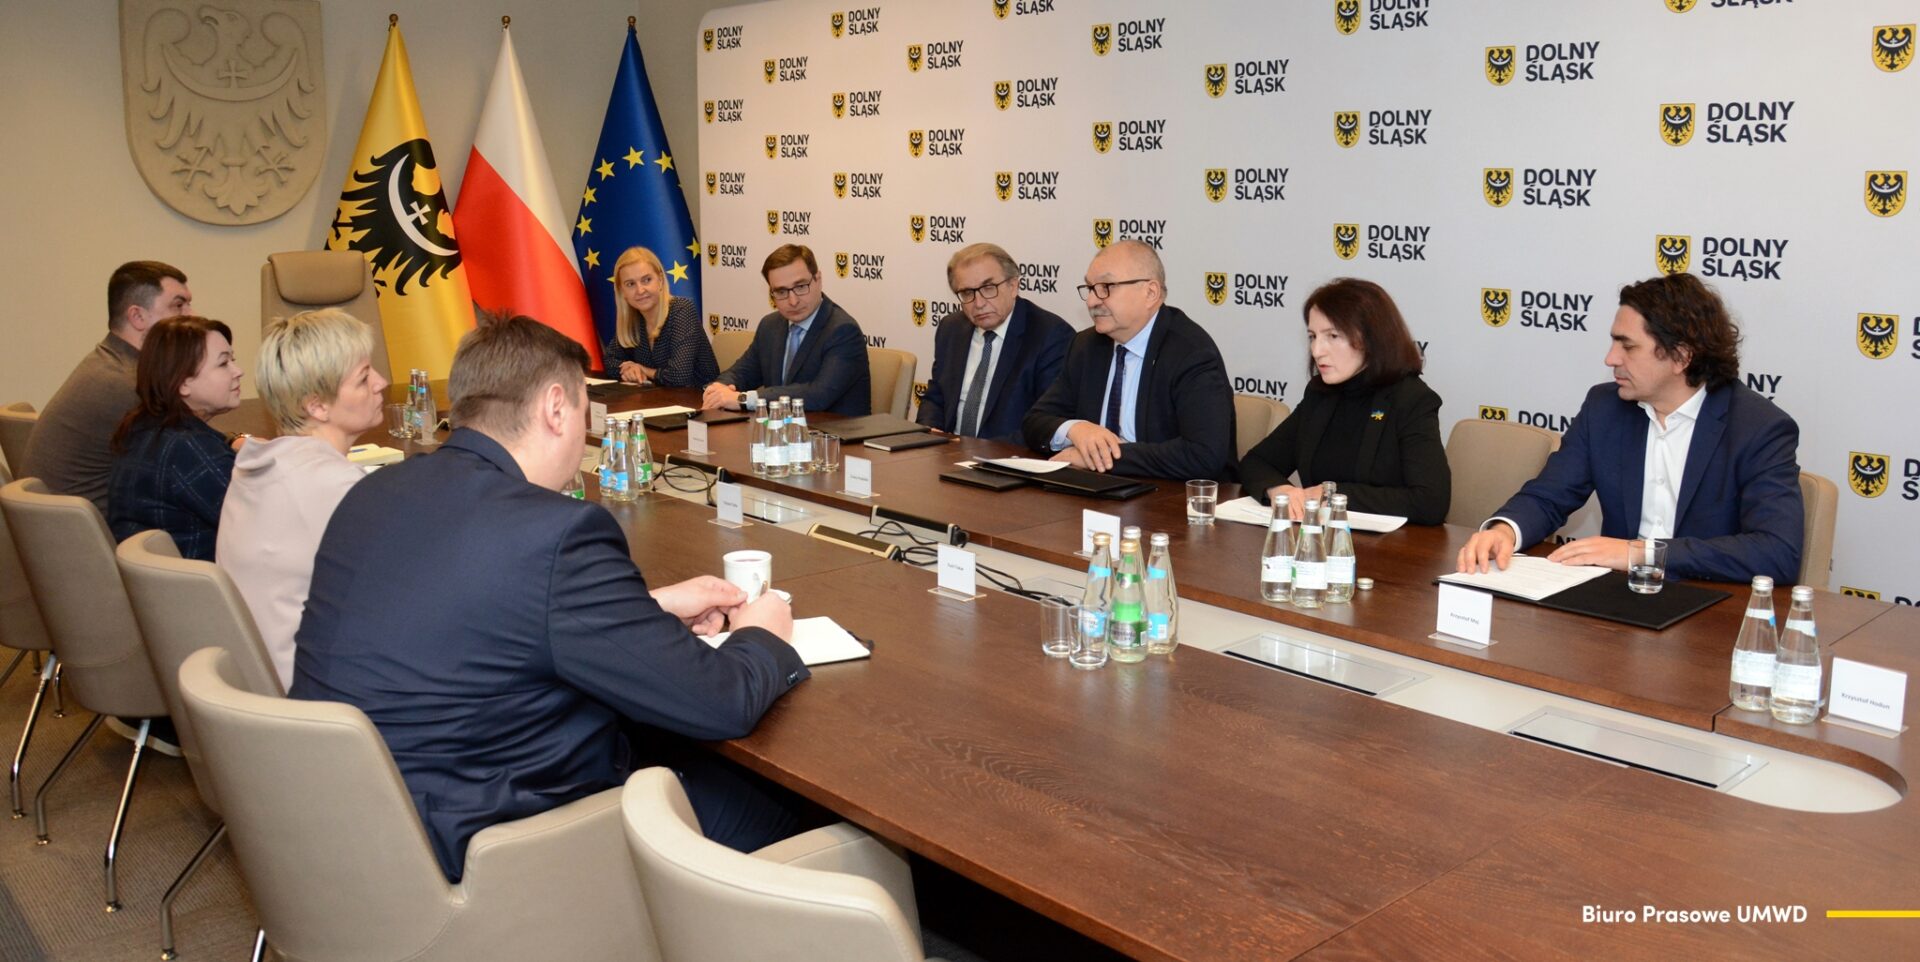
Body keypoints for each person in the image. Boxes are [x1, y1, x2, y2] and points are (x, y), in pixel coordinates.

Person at [292, 313, 807, 882]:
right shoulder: (556, 533)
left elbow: (476, 615)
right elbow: (720, 702)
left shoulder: (372, 492)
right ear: (556, 408)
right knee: (786, 806)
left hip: (351, 836)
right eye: (585, 408)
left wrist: (646, 609)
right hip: (491, 855)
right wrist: (762, 631)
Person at [1457, 273, 1802, 584]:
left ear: (1681, 357)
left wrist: (1641, 553)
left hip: (1709, 606)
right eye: (1613, 343)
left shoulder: (1759, 428)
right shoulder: (1604, 408)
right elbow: (1549, 495)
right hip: (1619, 601)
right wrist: (1505, 530)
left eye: (1628, 346)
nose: (1611, 358)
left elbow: (1777, 551)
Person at [217, 309, 388, 689]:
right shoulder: (333, 486)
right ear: (317, 406)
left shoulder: (259, 466)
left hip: (255, 680)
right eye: (364, 378)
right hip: (313, 691)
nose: (381, 382)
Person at [1239, 279, 1450, 524]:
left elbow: (1430, 501)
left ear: (1371, 338)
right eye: (1313, 336)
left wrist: (1333, 495)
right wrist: (1279, 490)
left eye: (1333, 336)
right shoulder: (1320, 395)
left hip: (1389, 545)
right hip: (1318, 540)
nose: (1317, 350)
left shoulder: (1411, 399)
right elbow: (1256, 462)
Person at [1022, 239, 1235, 480]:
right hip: (1098, 490)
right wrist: (1077, 430)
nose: (1092, 301)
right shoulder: (1086, 345)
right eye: (1090, 288)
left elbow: (1203, 455)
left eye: (1106, 287)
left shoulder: (1190, 352)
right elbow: (1034, 422)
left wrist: (1102, 456)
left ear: (1150, 293)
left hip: (1171, 495)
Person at [25, 261, 192, 513]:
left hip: (59, 528)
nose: (191, 316)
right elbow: (192, 469)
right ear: (137, 316)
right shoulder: (129, 384)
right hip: (102, 531)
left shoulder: (107, 362)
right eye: (178, 306)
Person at [106, 316, 242, 561]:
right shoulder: (188, 449)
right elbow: (268, 525)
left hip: (163, 582)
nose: (238, 371)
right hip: (208, 582)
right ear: (183, 383)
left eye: (233, 360)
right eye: (223, 363)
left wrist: (236, 441)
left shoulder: (143, 428)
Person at [915, 243, 1071, 441]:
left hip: (1006, 454)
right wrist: (930, 432)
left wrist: (978, 452)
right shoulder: (951, 328)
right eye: (967, 293)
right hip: (948, 451)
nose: (979, 303)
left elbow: (1048, 422)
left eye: (989, 288)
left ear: (1013, 286)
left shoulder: (1050, 335)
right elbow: (936, 396)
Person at [700, 244, 870, 416]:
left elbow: (818, 395)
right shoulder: (770, 326)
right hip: (780, 428)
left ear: (818, 279)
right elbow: (742, 372)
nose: (793, 301)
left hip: (830, 431)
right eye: (781, 292)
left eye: (801, 287)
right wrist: (719, 389)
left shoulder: (843, 330)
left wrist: (744, 399)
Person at [602, 246, 718, 387]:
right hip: (657, 397)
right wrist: (629, 369)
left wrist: (642, 370)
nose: (640, 290)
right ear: (622, 292)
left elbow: (678, 377)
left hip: (700, 396)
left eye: (646, 280)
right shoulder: (634, 318)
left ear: (661, 280)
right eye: (630, 284)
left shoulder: (681, 310)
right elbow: (609, 361)